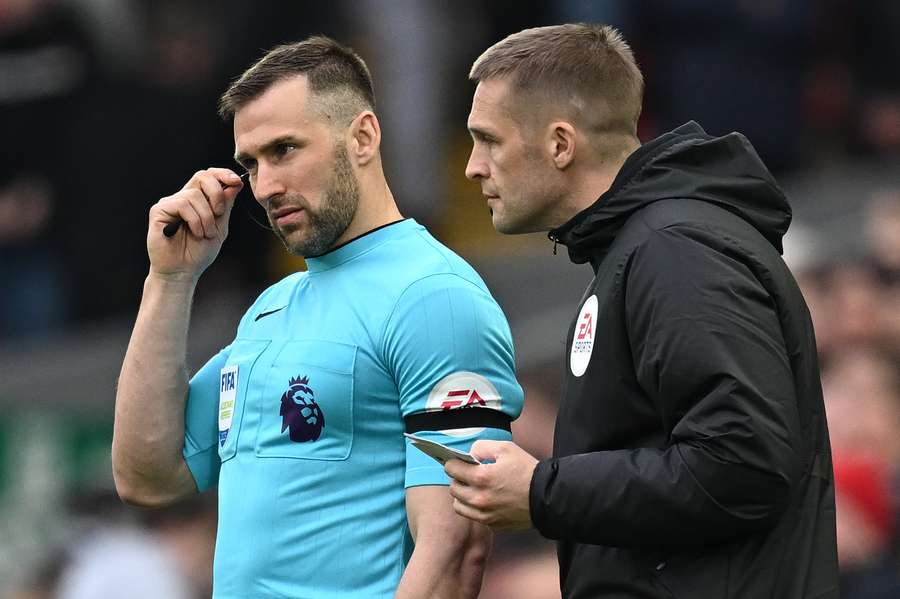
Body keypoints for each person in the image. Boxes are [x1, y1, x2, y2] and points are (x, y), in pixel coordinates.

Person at [112, 36, 523, 598]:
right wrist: (169, 280)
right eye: (250, 163)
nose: (265, 186)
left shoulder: (434, 298)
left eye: (284, 150)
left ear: (363, 137)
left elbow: (454, 548)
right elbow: (148, 476)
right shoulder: (270, 311)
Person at [444, 23, 839, 598]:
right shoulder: (638, 249)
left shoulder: (674, 250)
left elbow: (743, 464)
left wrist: (541, 492)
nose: (472, 167)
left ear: (560, 144)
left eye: (489, 140)